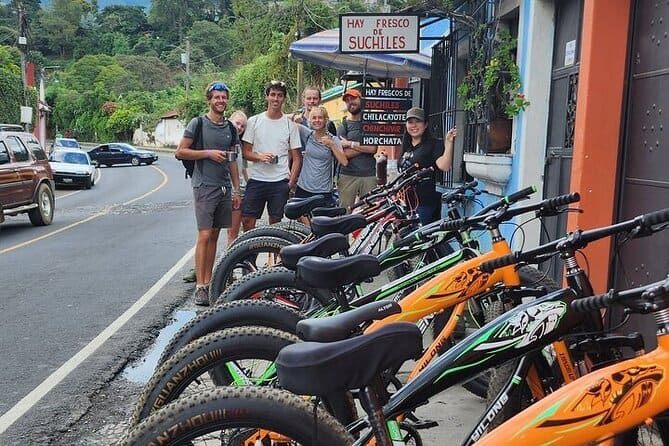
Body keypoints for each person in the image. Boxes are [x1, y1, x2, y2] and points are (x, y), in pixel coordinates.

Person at [175, 81, 242, 306]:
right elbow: (180, 152)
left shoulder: (231, 128)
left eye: (224, 97)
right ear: (209, 100)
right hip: (204, 186)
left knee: (215, 235)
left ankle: (210, 281)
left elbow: (233, 160)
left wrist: (237, 189)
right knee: (204, 235)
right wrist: (207, 153)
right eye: (217, 97)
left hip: (224, 187)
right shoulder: (198, 124)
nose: (221, 101)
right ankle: (200, 286)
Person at [241, 80, 302, 230]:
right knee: (248, 220)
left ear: (284, 98)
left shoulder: (290, 125)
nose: (276, 99)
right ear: (267, 97)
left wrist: (290, 183)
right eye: (273, 95)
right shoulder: (254, 121)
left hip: (280, 181)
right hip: (257, 179)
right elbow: (245, 152)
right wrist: (260, 157)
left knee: (276, 223)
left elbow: (297, 158)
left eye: (279, 95)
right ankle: (250, 252)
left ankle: (273, 253)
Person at [399, 106, 456, 225]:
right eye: (410, 122)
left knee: (420, 239)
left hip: (424, 203)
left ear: (425, 125)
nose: (414, 126)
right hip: (405, 203)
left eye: (418, 122)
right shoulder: (407, 146)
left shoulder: (434, 144)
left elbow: (444, 166)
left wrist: (449, 142)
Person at [295, 106, 348, 208]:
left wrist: (331, 145)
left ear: (325, 120)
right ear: (310, 120)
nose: (317, 120)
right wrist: (295, 117)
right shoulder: (307, 134)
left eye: (320, 118)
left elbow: (344, 162)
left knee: (321, 220)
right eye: (314, 118)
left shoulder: (334, 139)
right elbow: (286, 122)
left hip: (323, 189)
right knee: (299, 215)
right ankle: (308, 225)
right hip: (304, 186)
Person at [336, 89, 378, 209]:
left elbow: (373, 149)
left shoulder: (371, 123)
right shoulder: (343, 126)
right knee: (344, 212)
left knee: (369, 212)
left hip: (369, 175)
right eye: (347, 100)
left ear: (361, 99)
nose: (350, 102)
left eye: (353, 98)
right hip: (347, 175)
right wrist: (364, 146)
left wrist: (349, 143)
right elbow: (343, 155)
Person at [227, 110, 248, 246]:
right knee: (230, 231)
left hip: (240, 191)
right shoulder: (223, 141)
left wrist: (249, 184)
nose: (239, 128)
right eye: (237, 123)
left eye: (242, 126)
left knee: (234, 231)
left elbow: (243, 169)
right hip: (227, 191)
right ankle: (228, 263)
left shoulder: (240, 145)